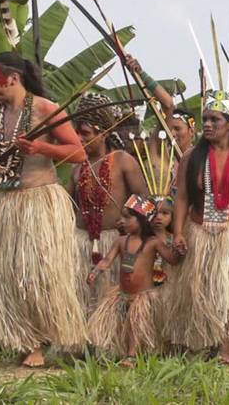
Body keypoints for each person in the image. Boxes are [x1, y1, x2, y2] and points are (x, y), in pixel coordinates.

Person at [0, 52, 87, 366]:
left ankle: (39, 344)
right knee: (6, 274)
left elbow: (79, 153)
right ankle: (19, 337)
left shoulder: (46, 109)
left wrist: (41, 147)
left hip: (39, 201)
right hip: (1, 202)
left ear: (14, 78)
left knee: (37, 274)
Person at [168, 89, 229, 364]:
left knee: (227, 291)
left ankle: (226, 347)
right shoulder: (191, 157)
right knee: (202, 292)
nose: (208, 125)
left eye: (215, 119)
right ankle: (205, 343)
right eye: (205, 119)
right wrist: (177, 232)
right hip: (198, 231)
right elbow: (183, 198)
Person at [69, 92, 148, 313]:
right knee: (83, 299)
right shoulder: (77, 167)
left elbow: (144, 198)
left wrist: (132, 228)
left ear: (102, 134)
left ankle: (111, 343)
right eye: (78, 133)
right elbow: (67, 204)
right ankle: (84, 344)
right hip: (81, 242)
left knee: (112, 301)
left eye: (85, 133)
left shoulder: (123, 160)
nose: (80, 138)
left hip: (114, 242)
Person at [86, 195, 182, 367]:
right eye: (121, 216)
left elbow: (171, 260)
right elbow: (107, 260)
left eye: (127, 217)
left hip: (143, 296)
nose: (121, 220)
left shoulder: (153, 242)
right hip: (122, 294)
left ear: (142, 220)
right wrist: (96, 271)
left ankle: (131, 355)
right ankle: (122, 351)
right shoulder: (120, 241)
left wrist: (178, 252)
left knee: (137, 323)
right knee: (125, 325)